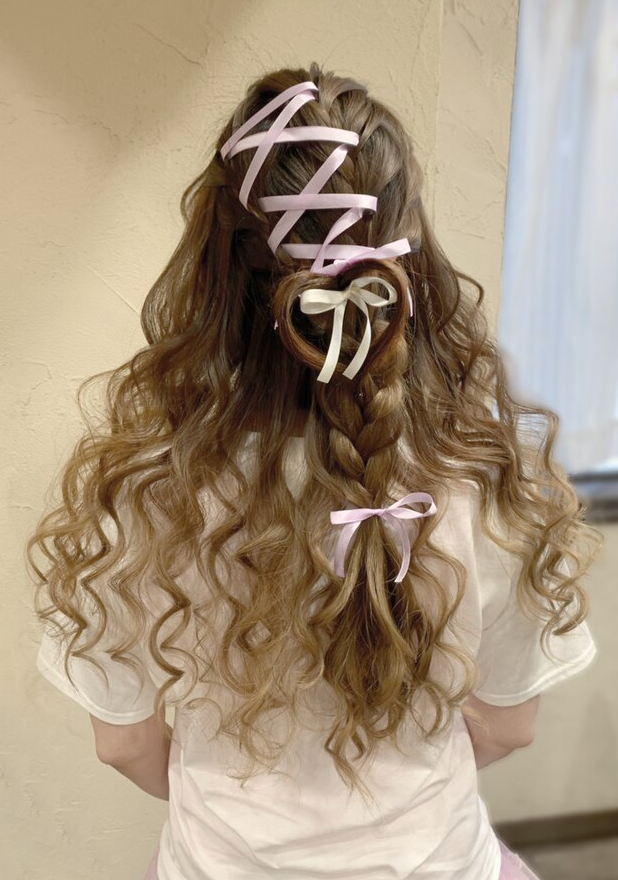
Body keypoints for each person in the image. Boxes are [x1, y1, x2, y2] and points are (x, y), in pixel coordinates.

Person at [28, 63, 601, 880]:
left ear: (215, 275)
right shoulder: (484, 471)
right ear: (410, 269)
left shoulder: (148, 487)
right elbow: (511, 727)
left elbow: (125, 745)